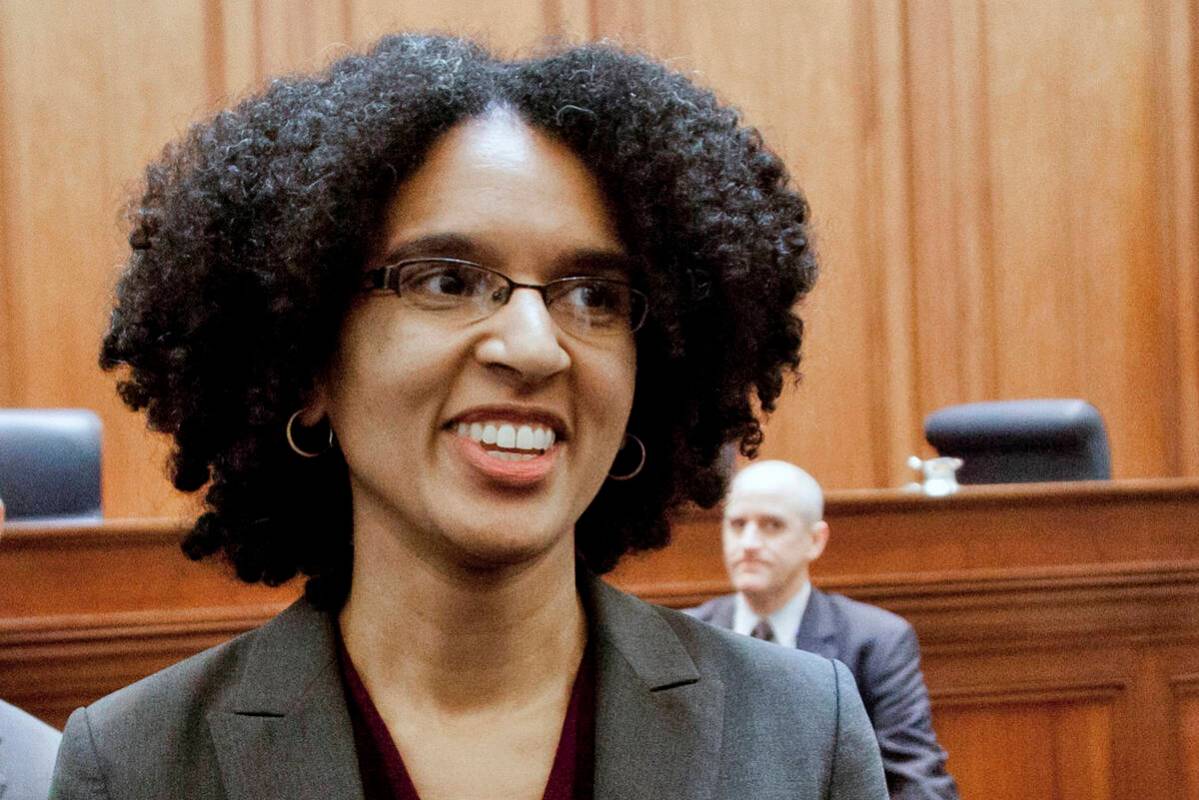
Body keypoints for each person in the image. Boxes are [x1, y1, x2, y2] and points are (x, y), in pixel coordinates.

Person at [51, 34, 888, 799]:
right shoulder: (135, 767)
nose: (534, 347)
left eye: (594, 296)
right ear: (306, 361)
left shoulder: (801, 734)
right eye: (447, 281)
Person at [687, 460, 959, 799]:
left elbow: (916, 779)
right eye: (738, 524)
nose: (749, 542)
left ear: (815, 540)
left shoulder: (875, 641)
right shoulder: (686, 637)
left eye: (772, 525)